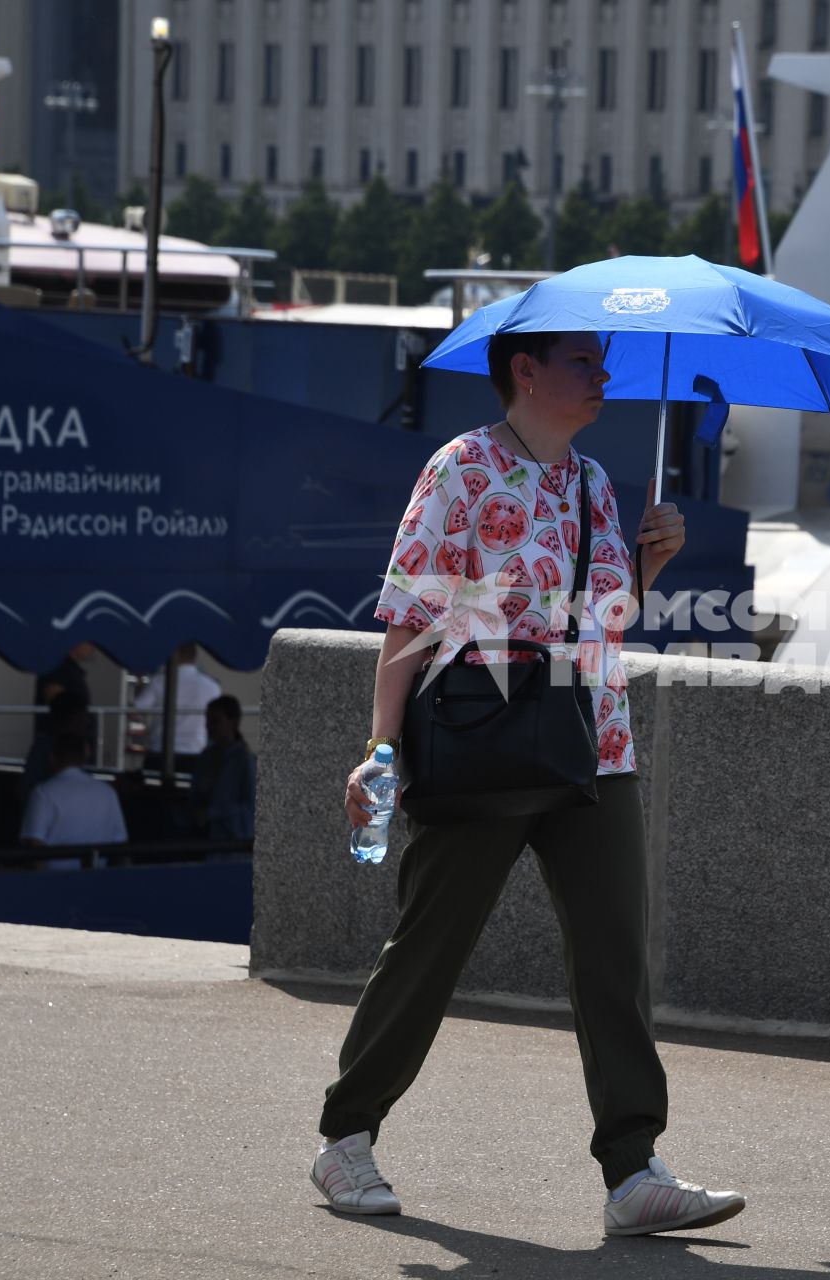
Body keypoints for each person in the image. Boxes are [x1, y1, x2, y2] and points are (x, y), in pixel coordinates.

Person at [309, 330, 745, 1237]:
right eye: (584, 361)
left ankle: (633, 1170)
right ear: (526, 371)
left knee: (613, 952)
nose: (603, 376)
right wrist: (380, 749)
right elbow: (411, 618)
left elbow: (599, 622)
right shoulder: (462, 468)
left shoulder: (591, 482)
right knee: (432, 943)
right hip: (484, 733)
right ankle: (345, 1138)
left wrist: (649, 562)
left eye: (601, 362)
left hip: (593, 739)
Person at [20, 730, 128, 864]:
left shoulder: (43, 793)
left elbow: (35, 843)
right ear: (85, 756)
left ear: (52, 758)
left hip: (55, 880)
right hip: (97, 880)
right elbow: (120, 844)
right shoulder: (107, 793)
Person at [130, 642, 223, 773]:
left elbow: (135, 711)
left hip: (160, 750)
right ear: (194, 657)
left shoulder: (159, 681)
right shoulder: (212, 686)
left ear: (174, 655)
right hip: (195, 751)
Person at [187, 695, 256, 840]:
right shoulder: (206, 756)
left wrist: (212, 813)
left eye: (215, 721)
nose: (208, 726)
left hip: (230, 841)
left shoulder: (243, 759)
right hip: (205, 836)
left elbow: (251, 807)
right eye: (208, 720)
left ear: (233, 723)